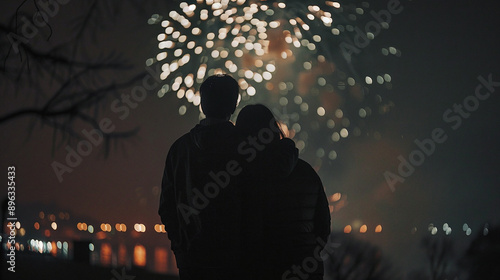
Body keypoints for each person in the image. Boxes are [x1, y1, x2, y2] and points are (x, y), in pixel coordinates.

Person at [158, 74, 246, 280]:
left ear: (202, 104)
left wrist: (181, 245)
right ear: (233, 106)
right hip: (236, 259)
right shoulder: (246, 148)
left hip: (192, 260)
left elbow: (166, 206)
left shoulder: (179, 149)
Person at [236, 104, 331, 280]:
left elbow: (248, 230)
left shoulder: (246, 175)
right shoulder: (307, 172)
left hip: (264, 268)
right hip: (307, 266)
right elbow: (323, 226)